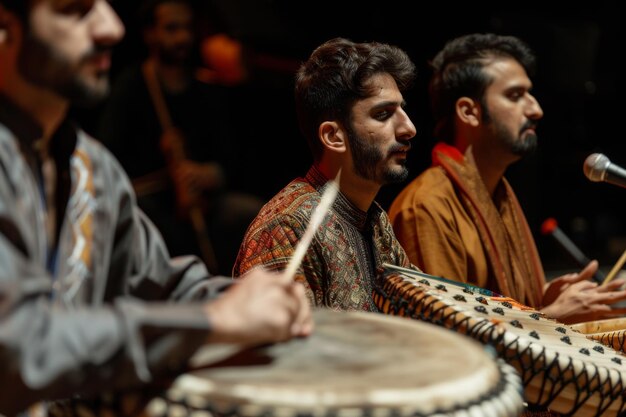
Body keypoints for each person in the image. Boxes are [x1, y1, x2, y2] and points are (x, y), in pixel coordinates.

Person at [0, 0, 311, 415]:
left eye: (105, 7)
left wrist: (249, 298)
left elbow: (161, 284)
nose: (110, 27)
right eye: (74, 10)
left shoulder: (92, 169)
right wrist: (213, 322)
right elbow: (17, 349)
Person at [388, 33, 626, 325]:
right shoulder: (426, 207)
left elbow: (503, 309)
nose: (535, 109)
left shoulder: (498, 192)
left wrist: (544, 299)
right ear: (469, 112)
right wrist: (549, 316)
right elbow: (446, 340)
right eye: (515, 95)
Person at [233, 37, 417, 311]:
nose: (409, 128)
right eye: (383, 114)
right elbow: (285, 350)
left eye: (403, 109)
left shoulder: (374, 219)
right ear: (333, 136)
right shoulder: (287, 228)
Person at [97, 0, 264, 276]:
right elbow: (108, 161)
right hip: (153, 203)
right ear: (150, 34)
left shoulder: (204, 88)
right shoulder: (131, 87)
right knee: (154, 225)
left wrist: (211, 173)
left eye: (187, 28)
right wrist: (169, 174)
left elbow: (230, 157)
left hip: (203, 203)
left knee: (250, 214)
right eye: (172, 29)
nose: (183, 37)